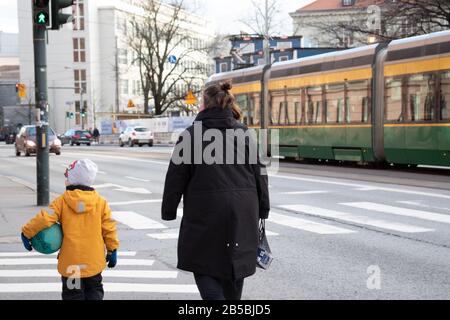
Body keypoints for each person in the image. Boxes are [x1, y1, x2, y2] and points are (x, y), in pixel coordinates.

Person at [162, 82, 270, 300]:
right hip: (243, 209)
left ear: (203, 104)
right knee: (235, 263)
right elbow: (260, 173)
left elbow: (175, 178)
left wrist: (169, 210)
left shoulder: (191, 135)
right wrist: (263, 208)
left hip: (206, 211)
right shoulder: (244, 133)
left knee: (204, 263)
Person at [21, 159, 119, 300]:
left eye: (67, 176)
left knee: (73, 295)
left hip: (71, 264)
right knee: (94, 293)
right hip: (93, 262)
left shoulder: (61, 202)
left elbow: (44, 218)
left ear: (71, 179)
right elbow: (109, 228)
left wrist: (27, 232)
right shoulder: (100, 203)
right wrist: (112, 249)